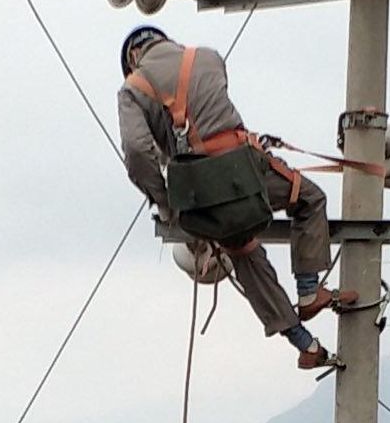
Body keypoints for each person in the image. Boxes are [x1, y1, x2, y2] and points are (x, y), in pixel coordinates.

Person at [116, 24, 362, 372]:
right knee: (308, 199)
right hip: (244, 172)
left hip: (198, 197)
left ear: (133, 58)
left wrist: (168, 204)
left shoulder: (131, 89)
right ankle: (308, 290)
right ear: (165, 41)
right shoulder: (208, 57)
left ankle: (305, 343)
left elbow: (138, 153)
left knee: (243, 251)